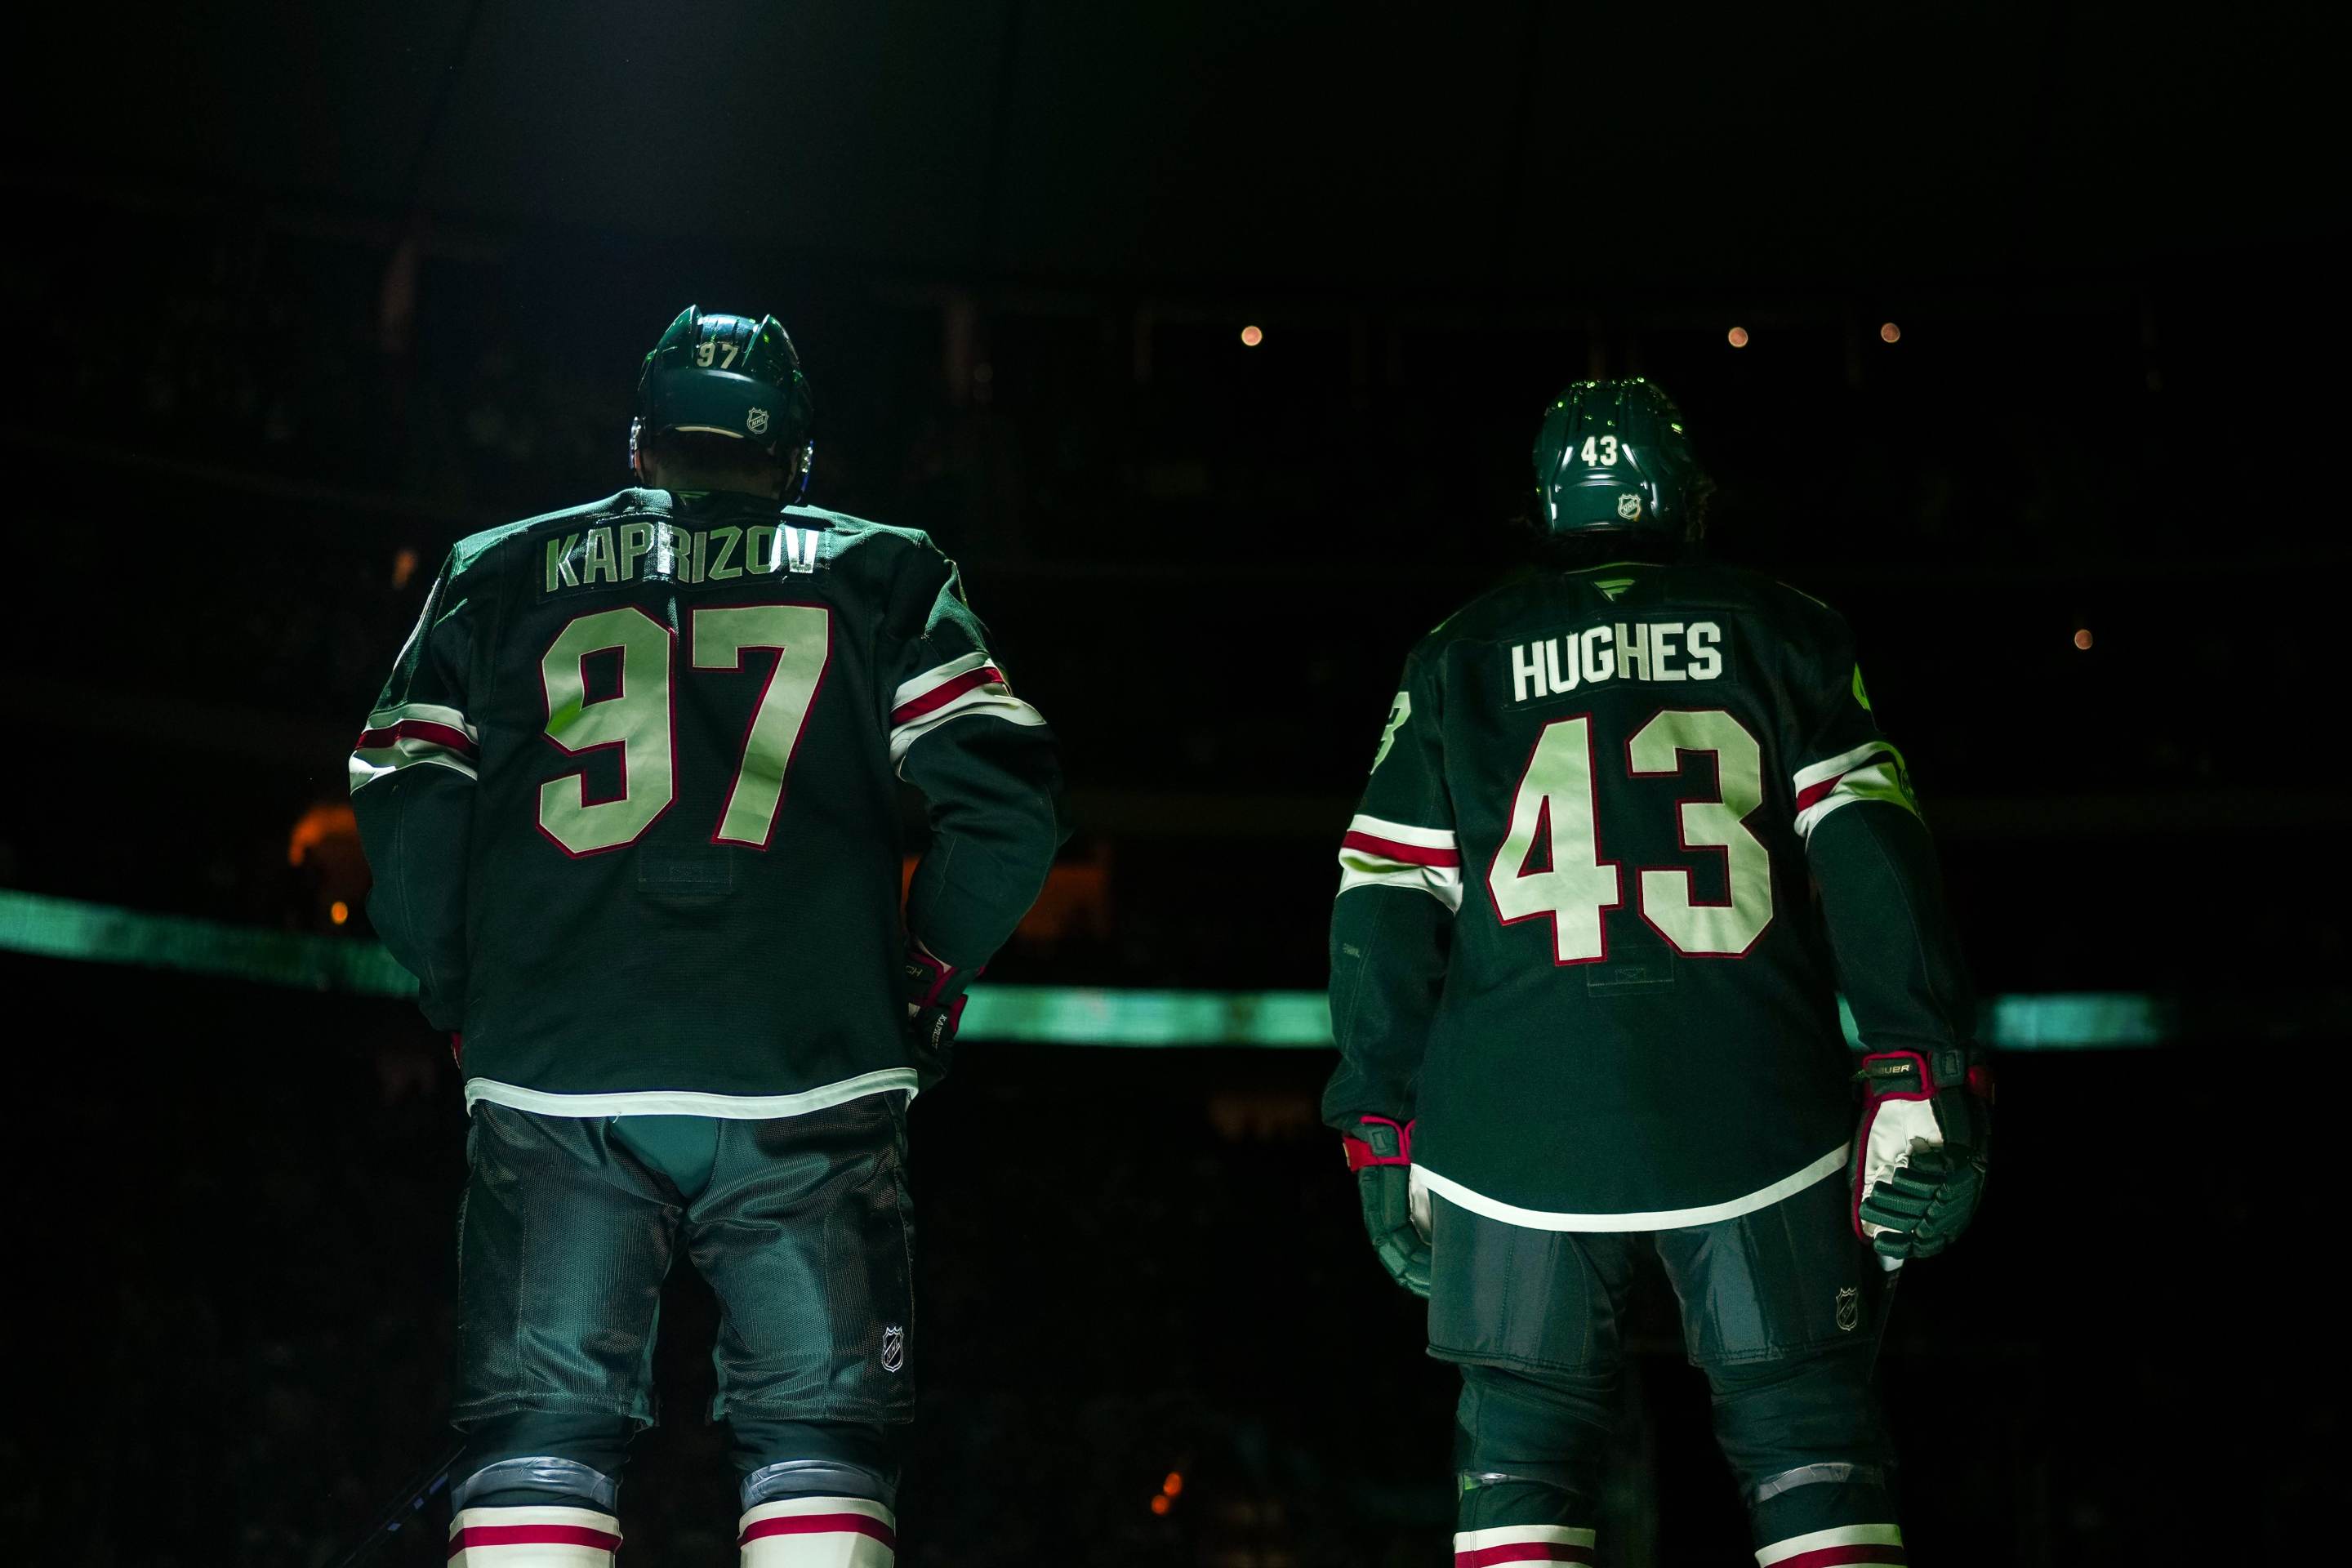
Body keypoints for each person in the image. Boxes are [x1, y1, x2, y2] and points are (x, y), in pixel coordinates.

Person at [350, 305, 1066, 1566]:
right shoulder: (888, 568)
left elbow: (407, 795)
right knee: (822, 1448)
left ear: (640, 442)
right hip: (812, 1068)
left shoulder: (496, 567)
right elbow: (1006, 813)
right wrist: (922, 970)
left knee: (538, 1442)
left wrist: (468, 987)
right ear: (796, 457)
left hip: (556, 1068)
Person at [1324, 379, 1990, 1567]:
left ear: (1543, 509)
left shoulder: (1455, 656)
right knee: (1809, 1440)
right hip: (1754, 1105)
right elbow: (1874, 857)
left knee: (1520, 1456)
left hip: (1510, 1129)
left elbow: (1383, 906)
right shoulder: (1785, 628)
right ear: (1689, 497)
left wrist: (1376, 1120)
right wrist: (1922, 1063)